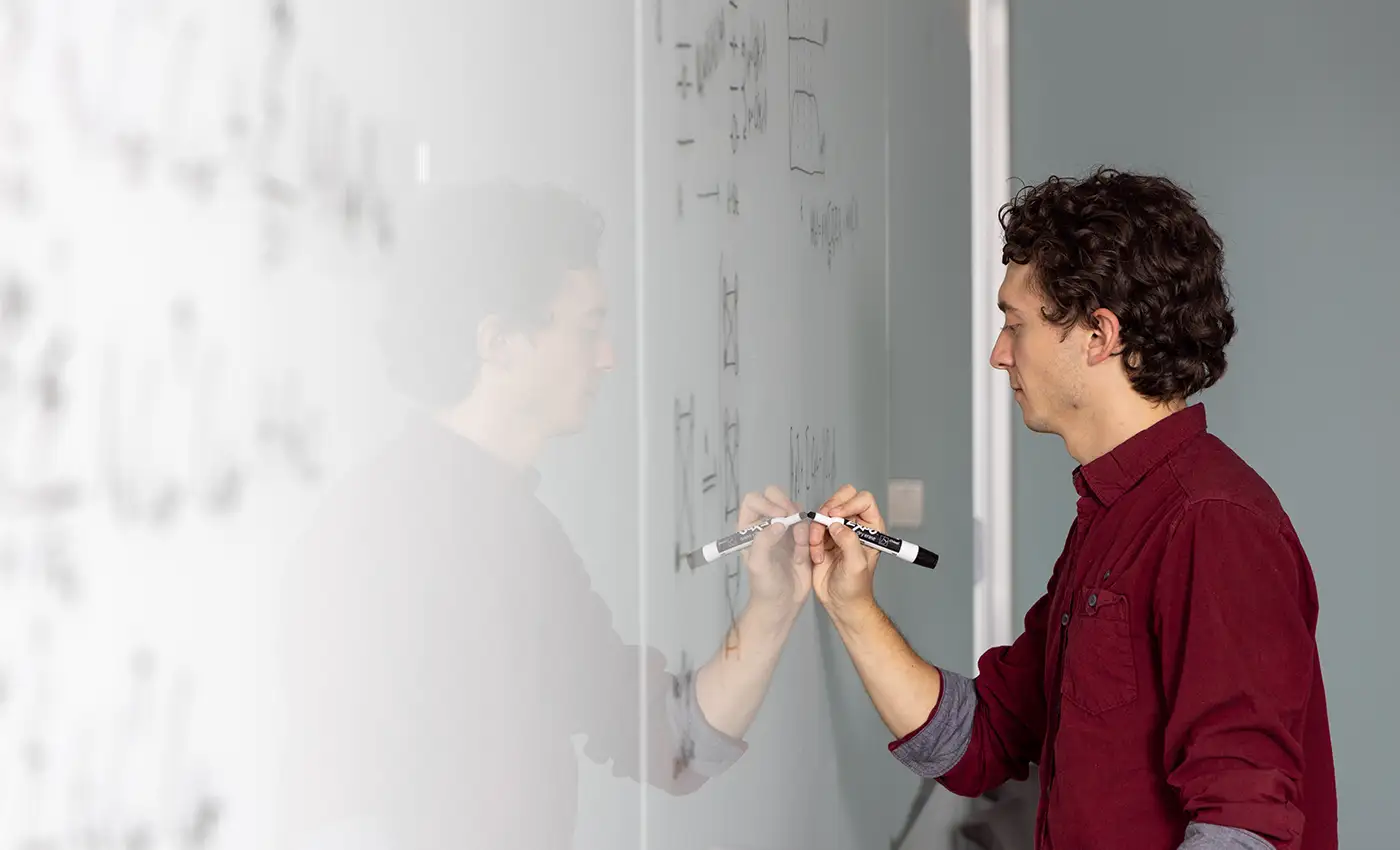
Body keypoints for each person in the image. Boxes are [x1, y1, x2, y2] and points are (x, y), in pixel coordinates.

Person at [808, 168, 1336, 850]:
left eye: (1015, 323)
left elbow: (1244, 825)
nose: (1000, 355)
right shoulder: (1115, 516)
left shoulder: (1212, 522)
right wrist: (852, 605)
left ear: (1098, 336)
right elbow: (981, 741)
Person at [272, 181, 811, 849]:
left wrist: (773, 607)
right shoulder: (374, 535)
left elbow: (669, 741)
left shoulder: (524, 537)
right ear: (499, 343)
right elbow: (338, 806)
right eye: (589, 327)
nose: (608, 357)